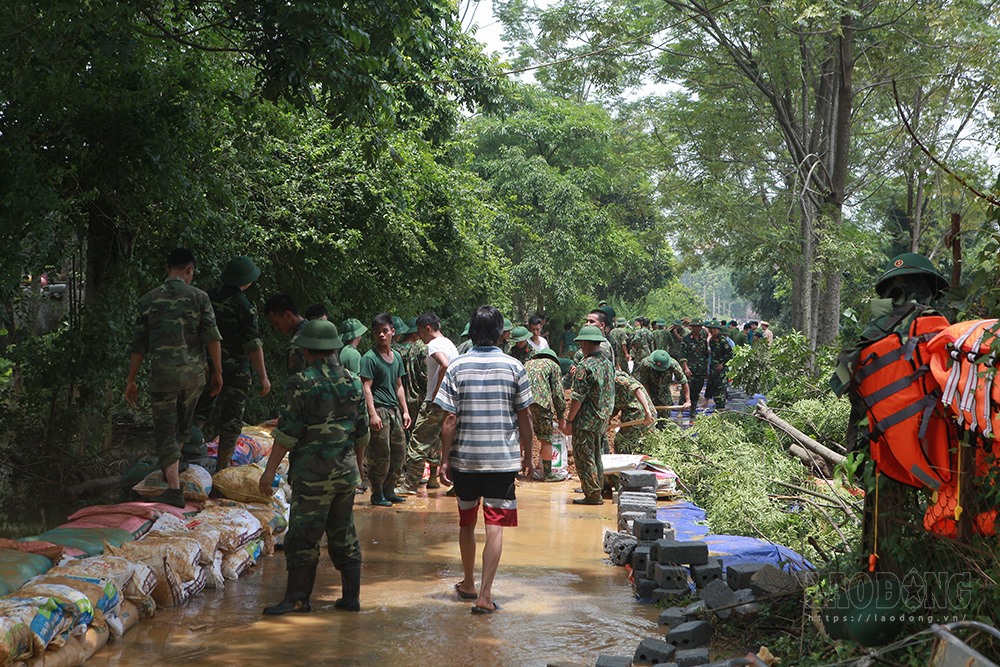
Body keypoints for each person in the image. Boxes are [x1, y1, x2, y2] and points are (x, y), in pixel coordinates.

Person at [258, 320, 366, 615]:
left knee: (303, 537)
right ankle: (351, 598)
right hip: (344, 474)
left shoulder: (301, 382)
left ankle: (297, 599)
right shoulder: (354, 381)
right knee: (343, 535)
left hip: (313, 475)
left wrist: (268, 473)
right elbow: (362, 432)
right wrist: (358, 469)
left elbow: (288, 433)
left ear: (307, 350)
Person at [435, 305, 533, 614]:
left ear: (472, 330)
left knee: (467, 521)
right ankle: (485, 595)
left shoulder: (457, 366)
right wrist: (528, 455)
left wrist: (444, 459)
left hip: (465, 460)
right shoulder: (515, 366)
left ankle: (467, 583)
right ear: (501, 332)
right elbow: (525, 416)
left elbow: (449, 419)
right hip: (501, 461)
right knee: (495, 525)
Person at [124, 248, 223, 508]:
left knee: (165, 431)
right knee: (182, 425)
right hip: (193, 377)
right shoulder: (200, 298)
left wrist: (131, 379)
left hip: (164, 377)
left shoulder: (149, 300)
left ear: (168, 268)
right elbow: (212, 338)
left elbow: (138, 346)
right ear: (189, 270)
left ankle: (174, 489)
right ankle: (175, 469)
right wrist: (218, 372)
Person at [192, 256, 271, 472]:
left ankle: (188, 457)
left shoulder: (207, 298)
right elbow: (252, 343)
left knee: (199, 412)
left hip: (206, 367)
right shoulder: (244, 306)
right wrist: (263, 376)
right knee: (231, 419)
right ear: (245, 281)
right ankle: (223, 467)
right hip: (235, 371)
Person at [397, 312, 458, 495]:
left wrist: (437, 393)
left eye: (420, 332)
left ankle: (409, 486)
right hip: (452, 403)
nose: (420, 337)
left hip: (435, 403)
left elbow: (444, 364)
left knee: (418, 443)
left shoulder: (433, 345)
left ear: (427, 329)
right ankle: (458, 485)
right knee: (453, 443)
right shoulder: (450, 344)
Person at [359, 313, 411, 506]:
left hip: (395, 411)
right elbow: (366, 387)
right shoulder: (369, 358)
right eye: (377, 332)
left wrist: (405, 410)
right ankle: (377, 493)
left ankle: (390, 491)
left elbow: (399, 386)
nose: (381, 335)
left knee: (399, 453)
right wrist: (372, 414)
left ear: (392, 332)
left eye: (385, 331)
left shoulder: (396, 357)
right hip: (379, 411)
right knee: (380, 455)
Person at [563, 325, 615, 505]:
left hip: (585, 420)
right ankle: (597, 489)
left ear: (585, 343)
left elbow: (577, 398)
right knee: (596, 455)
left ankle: (592, 495)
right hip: (601, 418)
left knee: (585, 458)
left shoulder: (584, 366)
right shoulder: (607, 363)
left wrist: (569, 420)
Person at [523, 348, 566, 481]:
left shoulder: (527, 363)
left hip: (522, 402)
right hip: (541, 403)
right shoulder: (553, 366)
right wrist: (561, 416)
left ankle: (516, 471)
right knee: (546, 438)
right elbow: (557, 393)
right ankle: (547, 474)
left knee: (521, 436)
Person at [639, 349, 690, 425]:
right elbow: (644, 383)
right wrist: (648, 401)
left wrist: (688, 400)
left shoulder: (673, 365)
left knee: (664, 422)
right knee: (649, 421)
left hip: (664, 396)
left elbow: (683, 382)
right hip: (650, 392)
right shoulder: (645, 364)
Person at [611, 370, 656, 454]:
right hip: (630, 410)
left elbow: (637, 389)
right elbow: (617, 403)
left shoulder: (617, 379)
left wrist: (647, 412)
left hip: (638, 413)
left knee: (625, 444)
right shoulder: (607, 382)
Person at [264, 294, 307, 374]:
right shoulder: (318, 330)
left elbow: (296, 381)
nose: (276, 328)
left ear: (288, 315)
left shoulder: (297, 343)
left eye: (276, 323)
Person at [680, 320, 710, 419]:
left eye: (699, 327)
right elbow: (683, 355)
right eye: (695, 326)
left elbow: (705, 356)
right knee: (685, 391)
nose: (698, 328)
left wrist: (706, 370)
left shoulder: (703, 340)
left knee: (696, 392)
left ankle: (692, 412)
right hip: (690, 370)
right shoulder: (686, 339)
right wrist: (686, 368)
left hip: (700, 371)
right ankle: (680, 411)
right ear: (691, 327)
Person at [705, 320, 733, 410]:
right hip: (713, 368)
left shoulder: (722, 340)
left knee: (720, 390)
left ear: (718, 330)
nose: (712, 331)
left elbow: (730, 354)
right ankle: (717, 407)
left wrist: (723, 364)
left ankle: (721, 409)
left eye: (714, 329)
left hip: (721, 370)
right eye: (710, 329)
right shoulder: (712, 340)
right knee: (713, 388)